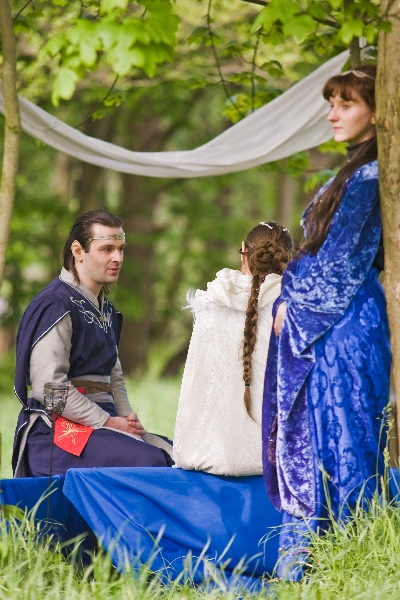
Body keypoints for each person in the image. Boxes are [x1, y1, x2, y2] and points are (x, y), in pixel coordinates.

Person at [262, 65, 392, 580]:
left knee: (345, 432)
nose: (333, 115)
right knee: (320, 431)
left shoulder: (371, 175)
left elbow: (341, 263)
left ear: (377, 113)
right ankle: (317, 561)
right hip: (332, 320)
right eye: (331, 104)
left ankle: (354, 561)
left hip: (343, 322)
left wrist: (292, 310)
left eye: (346, 104)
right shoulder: (353, 172)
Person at [12, 210, 173, 477]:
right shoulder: (56, 304)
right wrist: (108, 422)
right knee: (151, 462)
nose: (118, 258)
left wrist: (127, 418)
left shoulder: (105, 309)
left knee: (176, 455)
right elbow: (50, 390)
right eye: (107, 249)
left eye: (121, 249)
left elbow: (113, 375)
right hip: (57, 432)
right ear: (78, 251)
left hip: (102, 420)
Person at [173, 222, 293, 476]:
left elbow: (194, 388)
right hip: (272, 460)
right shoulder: (291, 307)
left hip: (204, 457)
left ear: (244, 252)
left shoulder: (211, 301)